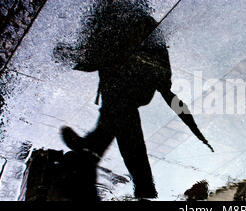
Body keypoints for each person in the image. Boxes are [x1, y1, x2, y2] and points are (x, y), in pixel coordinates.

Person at [55, 0, 213, 199]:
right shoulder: (128, 19)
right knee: (116, 114)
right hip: (127, 85)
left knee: (117, 110)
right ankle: (95, 151)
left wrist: (69, 56)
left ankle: (97, 152)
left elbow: (93, 57)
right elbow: (95, 55)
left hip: (131, 82)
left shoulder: (120, 19)